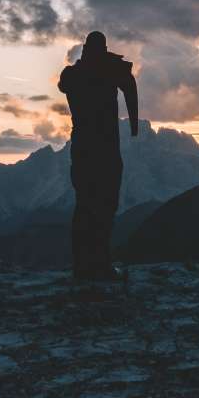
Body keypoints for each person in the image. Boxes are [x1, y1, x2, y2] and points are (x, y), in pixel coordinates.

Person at [57, 30, 141, 281]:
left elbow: (64, 83)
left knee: (85, 204)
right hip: (106, 149)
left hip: (82, 148)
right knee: (105, 205)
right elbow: (130, 87)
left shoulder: (72, 75)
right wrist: (134, 125)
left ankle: (83, 266)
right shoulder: (110, 71)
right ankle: (100, 264)